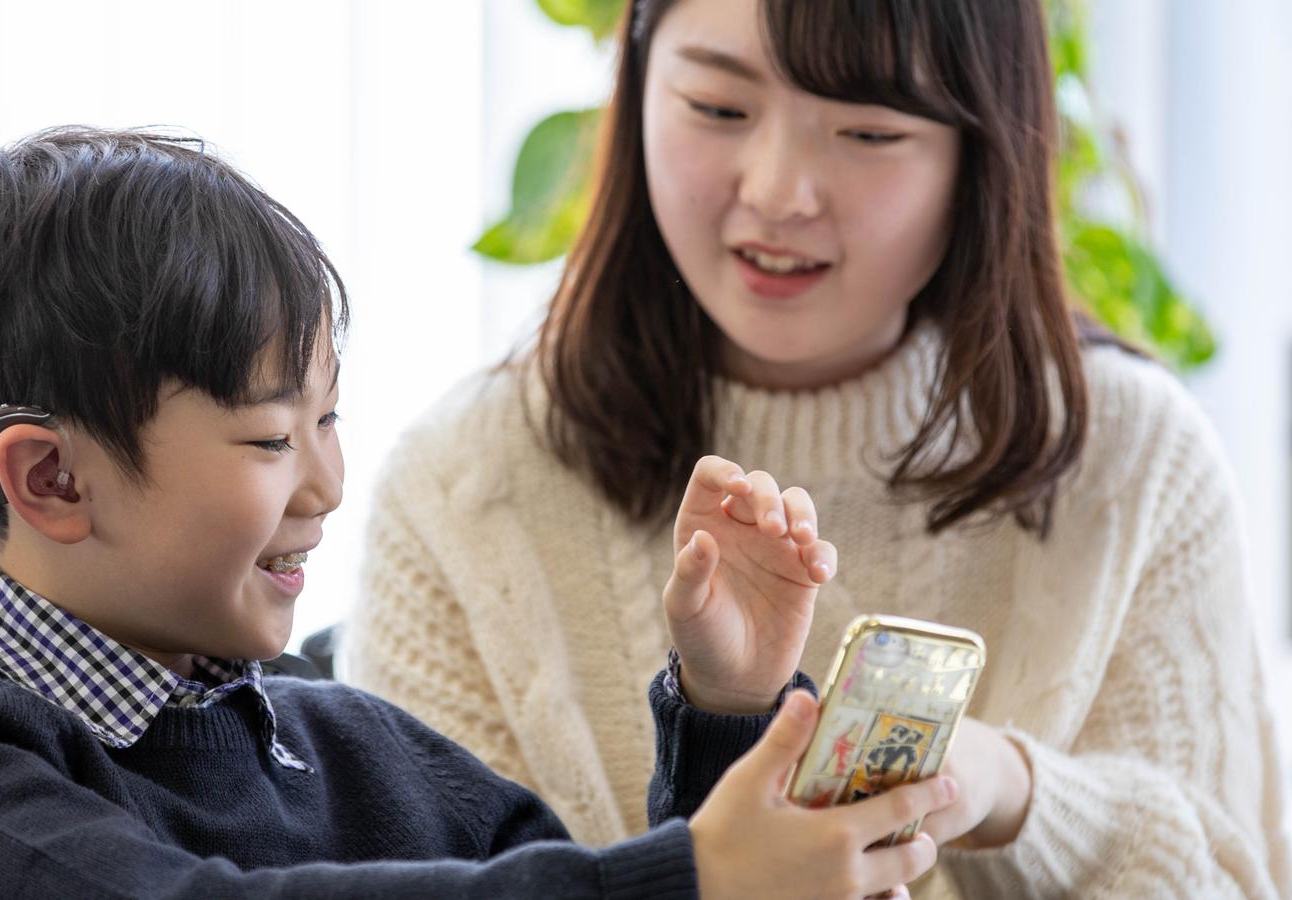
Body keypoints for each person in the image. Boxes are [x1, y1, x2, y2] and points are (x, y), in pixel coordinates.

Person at [0, 126, 958, 899]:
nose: (326, 486)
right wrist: (695, 879)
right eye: (267, 438)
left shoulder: (338, 737)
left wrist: (729, 713)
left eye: (329, 422)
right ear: (51, 479)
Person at [344, 0, 1292, 896]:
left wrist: (1007, 792)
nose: (777, 192)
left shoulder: (1134, 462)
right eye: (718, 107)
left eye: (869, 130)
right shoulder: (462, 487)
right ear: (635, 87)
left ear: (982, 145)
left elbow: (1233, 877)